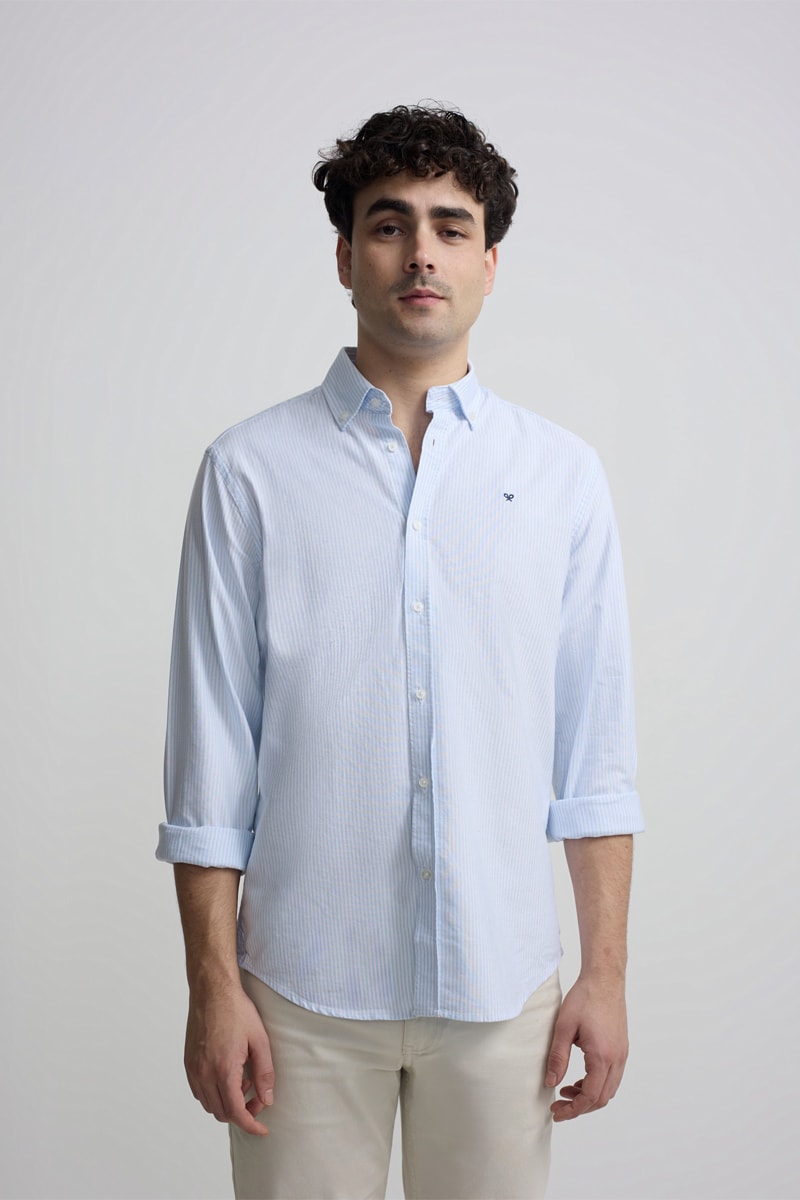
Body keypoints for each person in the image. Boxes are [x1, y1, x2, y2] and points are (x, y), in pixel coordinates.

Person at [157, 103, 644, 1200]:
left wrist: (605, 974)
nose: (421, 252)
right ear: (345, 257)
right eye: (388, 224)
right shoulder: (249, 472)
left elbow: (595, 759)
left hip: (504, 994)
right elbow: (210, 761)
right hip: (299, 994)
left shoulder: (562, 477)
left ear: (488, 264)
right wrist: (213, 987)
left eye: (450, 226)